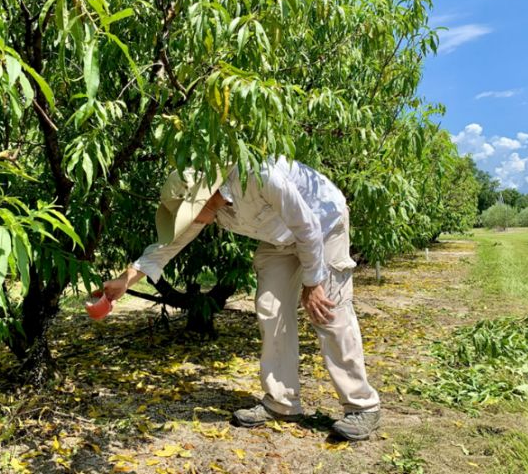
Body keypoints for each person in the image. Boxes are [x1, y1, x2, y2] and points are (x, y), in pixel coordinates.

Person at [100, 156, 381, 441]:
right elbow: (167, 245)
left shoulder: (259, 175)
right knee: (270, 310)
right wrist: (124, 281)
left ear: (207, 194)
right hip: (279, 239)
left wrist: (313, 282)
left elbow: (307, 226)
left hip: (323, 222)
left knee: (328, 312)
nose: (192, 220)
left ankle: (362, 405)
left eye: (191, 212)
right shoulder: (207, 206)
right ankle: (282, 403)